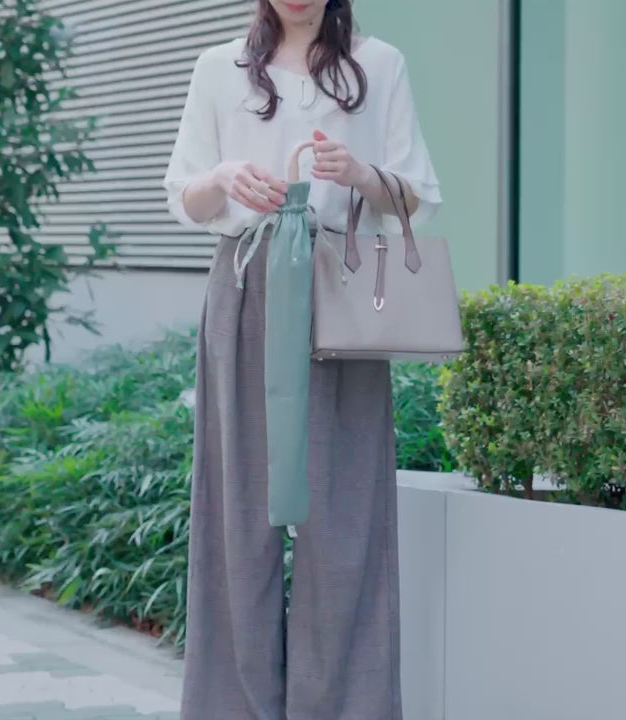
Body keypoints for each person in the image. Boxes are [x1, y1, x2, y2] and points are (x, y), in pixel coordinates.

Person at [162, 0, 440, 717]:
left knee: (346, 515)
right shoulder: (217, 67)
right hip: (246, 285)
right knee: (237, 512)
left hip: (340, 289)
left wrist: (362, 175)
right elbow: (183, 195)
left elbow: (418, 195)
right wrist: (224, 178)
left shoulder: (380, 65)